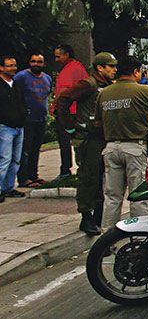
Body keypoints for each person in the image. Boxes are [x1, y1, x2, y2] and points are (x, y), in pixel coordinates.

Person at [96, 57, 148, 230]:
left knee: (112, 197)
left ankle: (107, 240)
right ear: (136, 71)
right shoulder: (144, 91)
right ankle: (139, 237)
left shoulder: (104, 93)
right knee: (138, 196)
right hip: (135, 148)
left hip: (110, 148)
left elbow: (98, 123)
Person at [56, 53, 118, 235]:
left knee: (103, 179)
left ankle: (98, 216)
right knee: (88, 178)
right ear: (100, 68)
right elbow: (63, 99)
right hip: (88, 139)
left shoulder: (106, 86)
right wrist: (71, 127)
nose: (114, 70)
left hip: (102, 138)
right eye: (111, 66)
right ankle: (86, 217)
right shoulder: (88, 84)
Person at [14, 54, 52, 188]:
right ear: (29, 62)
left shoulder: (47, 78)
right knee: (25, 150)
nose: (36, 64)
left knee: (36, 148)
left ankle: (33, 175)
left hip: (41, 119)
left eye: (39, 62)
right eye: (33, 61)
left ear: (44, 64)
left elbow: (47, 94)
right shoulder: (21, 77)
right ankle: (23, 178)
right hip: (27, 119)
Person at [52, 44, 89, 181]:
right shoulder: (79, 67)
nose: (56, 60)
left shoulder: (69, 70)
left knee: (65, 142)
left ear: (66, 55)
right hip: (76, 111)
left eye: (58, 56)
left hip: (67, 112)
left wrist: (54, 105)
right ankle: (81, 168)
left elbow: (63, 93)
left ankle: (65, 171)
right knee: (78, 141)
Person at [0, 57, 27, 202]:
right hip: (5, 127)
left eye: (15, 65)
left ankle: (8, 187)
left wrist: (24, 114)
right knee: (4, 159)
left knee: (15, 160)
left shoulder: (16, 84)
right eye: (9, 66)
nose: (13, 68)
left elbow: (22, 102)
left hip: (19, 126)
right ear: (1, 68)